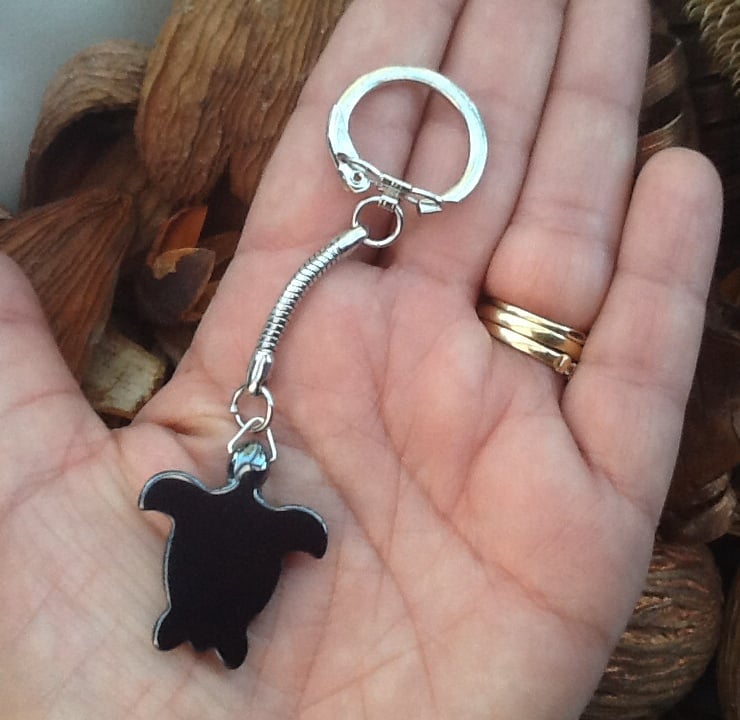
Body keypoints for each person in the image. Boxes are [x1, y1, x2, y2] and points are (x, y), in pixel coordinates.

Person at [0, 1, 722, 717]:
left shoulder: (229, 511)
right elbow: (265, 524)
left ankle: (201, 624)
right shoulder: (258, 521)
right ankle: (204, 625)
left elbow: (205, 506)